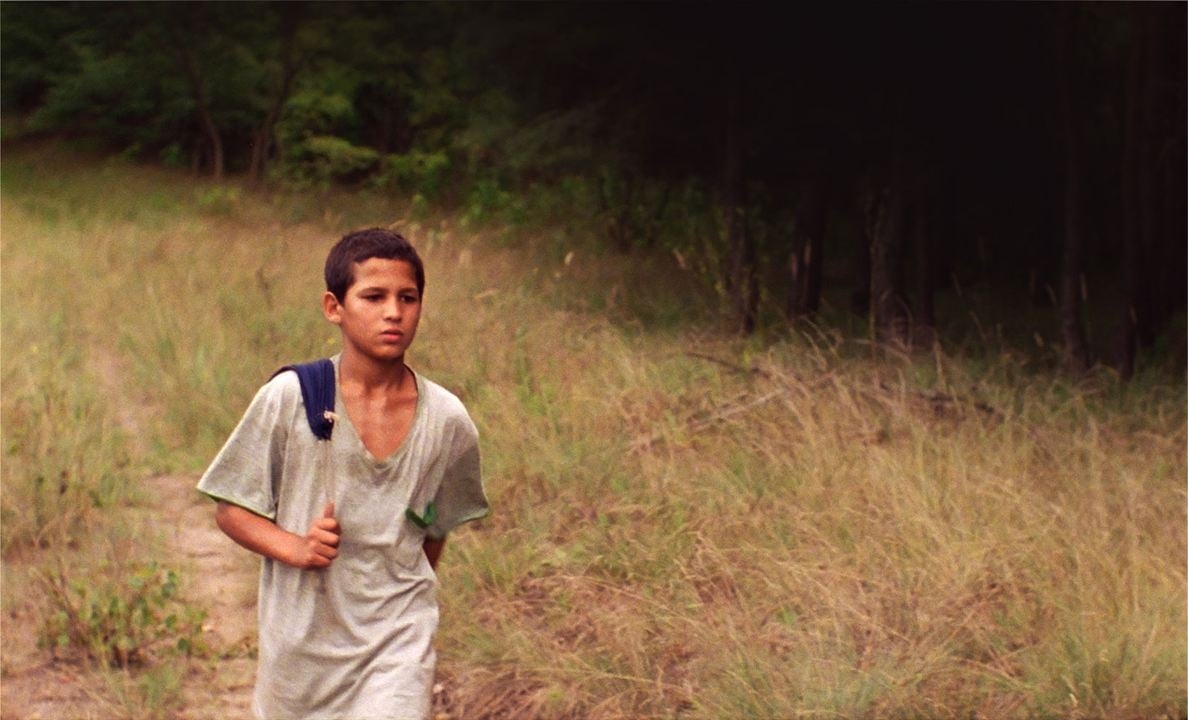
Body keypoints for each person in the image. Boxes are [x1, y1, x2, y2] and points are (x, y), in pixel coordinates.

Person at [197, 227, 489, 720]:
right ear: (335, 307)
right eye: (373, 297)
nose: (393, 312)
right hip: (302, 648)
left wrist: (397, 596)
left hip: (398, 642)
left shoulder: (448, 420)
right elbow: (231, 509)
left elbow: (434, 532)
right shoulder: (291, 398)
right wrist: (297, 548)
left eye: (408, 298)